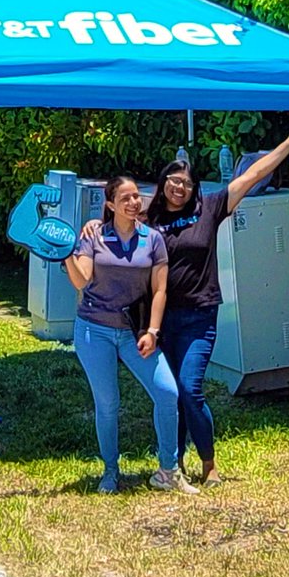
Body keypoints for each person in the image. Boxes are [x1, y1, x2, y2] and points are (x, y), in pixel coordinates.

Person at [141, 129, 289, 487]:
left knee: (190, 388)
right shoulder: (150, 220)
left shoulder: (210, 208)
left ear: (194, 188)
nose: (178, 188)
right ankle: (173, 462)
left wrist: (288, 143)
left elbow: (252, 174)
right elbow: (114, 218)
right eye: (173, 181)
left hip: (200, 317)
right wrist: (94, 225)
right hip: (162, 320)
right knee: (170, 393)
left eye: (185, 183)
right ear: (163, 184)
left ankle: (209, 464)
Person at [64, 175, 198, 495]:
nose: (134, 203)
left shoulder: (152, 239)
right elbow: (82, 281)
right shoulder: (94, 236)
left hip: (134, 332)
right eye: (125, 198)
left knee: (167, 392)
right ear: (111, 204)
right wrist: (66, 252)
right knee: (108, 404)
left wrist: (152, 331)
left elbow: (160, 289)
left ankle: (168, 471)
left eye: (137, 196)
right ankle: (110, 471)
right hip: (93, 331)